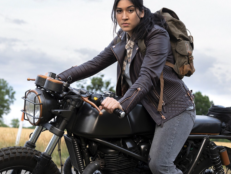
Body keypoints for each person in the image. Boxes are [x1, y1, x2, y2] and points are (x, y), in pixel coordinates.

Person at [57, 0, 196, 173]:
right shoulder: (124, 37)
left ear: (141, 12)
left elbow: (147, 77)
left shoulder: (157, 35)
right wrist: (60, 78)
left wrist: (122, 103)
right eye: (119, 11)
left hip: (174, 109)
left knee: (160, 165)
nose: (124, 16)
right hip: (146, 107)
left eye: (130, 10)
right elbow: (96, 63)